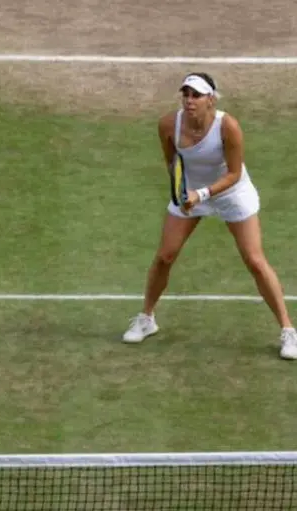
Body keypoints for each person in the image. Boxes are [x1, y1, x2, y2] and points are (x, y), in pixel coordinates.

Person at [122, 72, 297, 359]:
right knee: (165, 255)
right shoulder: (168, 124)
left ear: (211, 100)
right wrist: (182, 193)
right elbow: (172, 164)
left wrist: (201, 194)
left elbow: (234, 173)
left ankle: (288, 331)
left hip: (231, 193)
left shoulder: (228, 126)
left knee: (254, 260)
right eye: (186, 94)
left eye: (197, 95)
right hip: (191, 194)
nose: (189, 101)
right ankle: (146, 319)